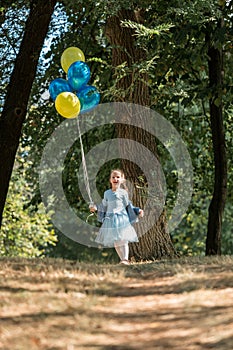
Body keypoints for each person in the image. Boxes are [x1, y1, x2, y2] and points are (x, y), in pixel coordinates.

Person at [89, 169, 144, 265]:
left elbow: (128, 206)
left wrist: (137, 210)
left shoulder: (123, 193)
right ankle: (122, 260)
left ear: (122, 179)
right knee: (116, 241)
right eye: (113, 177)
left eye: (118, 177)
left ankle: (125, 259)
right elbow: (104, 205)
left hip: (122, 218)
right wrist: (95, 208)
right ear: (110, 180)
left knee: (123, 239)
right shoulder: (107, 193)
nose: (115, 179)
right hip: (110, 219)